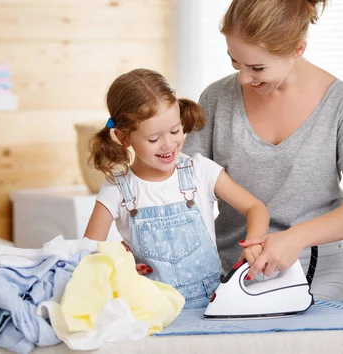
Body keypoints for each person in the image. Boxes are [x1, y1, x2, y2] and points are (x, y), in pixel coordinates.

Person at [182, 0, 343, 301]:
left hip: (315, 266)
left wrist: (295, 238)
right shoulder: (216, 99)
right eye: (235, 61)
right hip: (230, 270)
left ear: (297, 49)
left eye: (257, 67)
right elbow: (183, 188)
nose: (243, 78)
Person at [83, 68, 270, 308]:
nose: (169, 144)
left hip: (214, 306)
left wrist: (254, 242)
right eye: (153, 139)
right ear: (124, 138)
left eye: (175, 130)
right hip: (152, 311)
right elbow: (86, 254)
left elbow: (256, 207)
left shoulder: (200, 171)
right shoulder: (117, 189)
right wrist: (117, 263)